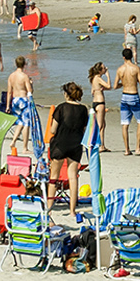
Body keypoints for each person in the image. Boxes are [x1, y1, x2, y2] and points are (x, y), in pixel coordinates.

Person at [47, 82, 90, 211]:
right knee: (73, 176)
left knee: (54, 176)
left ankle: (49, 206)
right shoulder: (83, 109)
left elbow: (53, 130)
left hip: (60, 144)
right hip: (76, 144)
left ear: (66, 94)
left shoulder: (61, 108)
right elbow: (84, 129)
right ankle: (72, 210)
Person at [116, 47, 140, 154]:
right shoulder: (136, 68)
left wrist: (124, 83)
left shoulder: (120, 69)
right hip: (134, 96)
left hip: (124, 96)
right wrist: (134, 82)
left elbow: (115, 86)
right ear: (132, 56)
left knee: (125, 124)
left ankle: (126, 149)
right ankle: (138, 147)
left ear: (123, 57)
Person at [88, 62, 112, 153]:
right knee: (100, 126)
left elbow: (92, 91)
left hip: (95, 102)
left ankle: (101, 144)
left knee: (102, 125)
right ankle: (100, 145)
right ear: (100, 70)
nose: (105, 68)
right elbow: (109, 86)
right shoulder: (98, 78)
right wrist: (108, 76)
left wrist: (100, 89)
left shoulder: (94, 79)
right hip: (100, 102)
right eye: (103, 68)